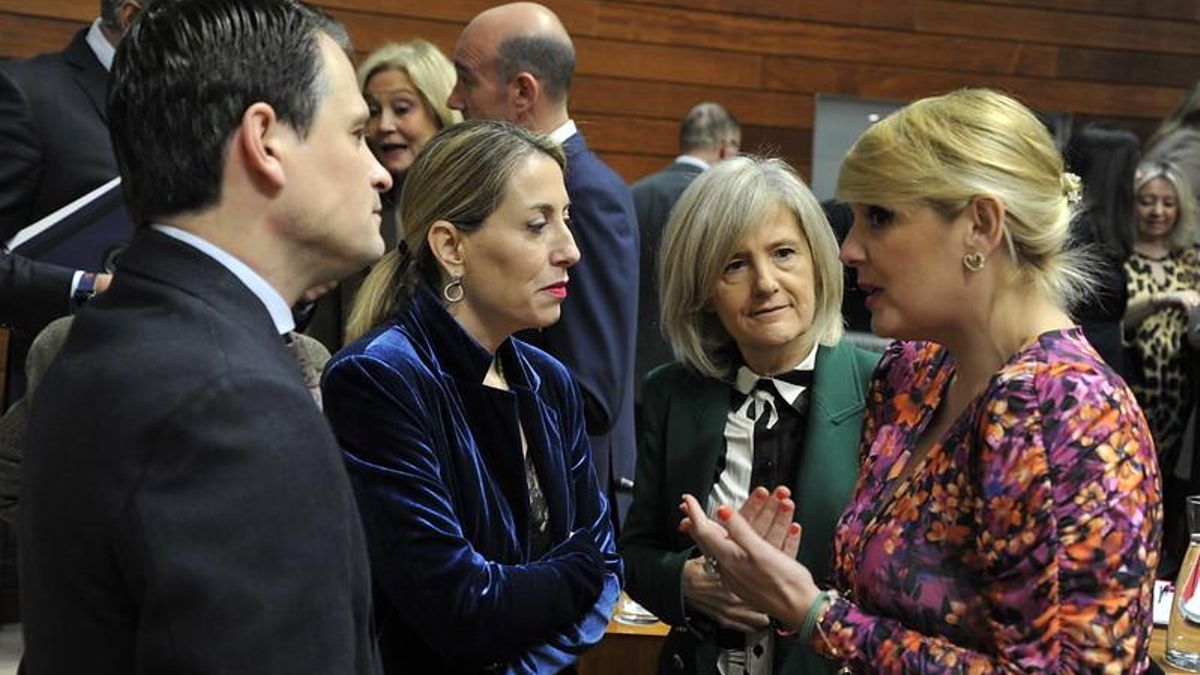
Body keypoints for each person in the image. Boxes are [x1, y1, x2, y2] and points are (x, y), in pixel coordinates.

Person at [679, 89, 1161, 672]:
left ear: (981, 225)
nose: (847, 249)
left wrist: (812, 610)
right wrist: (775, 578)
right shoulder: (917, 374)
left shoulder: (1064, 409)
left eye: (879, 217)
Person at [20, 1, 389, 672]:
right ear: (266, 140)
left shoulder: (119, 332)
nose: (380, 171)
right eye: (358, 133)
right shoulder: (234, 403)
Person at [322, 119, 622, 674]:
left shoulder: (550, 380)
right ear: (451, 246)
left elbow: (608, 573)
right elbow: (463, 609)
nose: (571, 251)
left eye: (567, 220)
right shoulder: (378, 378)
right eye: (538, 225)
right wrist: (577, 568)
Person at [620, 156, 878, 675]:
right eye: (734, 264)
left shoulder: (881, 388)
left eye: (784, 253)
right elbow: (636, 551)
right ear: (702, 290)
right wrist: (686, 583)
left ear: (817, 262)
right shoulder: (671, 392)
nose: (765, 283)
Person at [449, 2, 640, 521]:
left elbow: (594, 392)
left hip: (569, 508)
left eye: (465, 79)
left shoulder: (589, 193)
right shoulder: (533, 182)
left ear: (522, 93)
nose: (453, 98)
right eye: (537, 224)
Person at [0, 0, 137, 388]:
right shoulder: (25, 92)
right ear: (132, 15)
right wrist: (85, 288)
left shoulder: (199, 107)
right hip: (62, 392)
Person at [306, 38, 461, 350]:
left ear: (439, 112)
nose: (384, 125)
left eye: (402, 109)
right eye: (372, 111)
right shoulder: (351, 207)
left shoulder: (470, 205)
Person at [630, 102, 741, 397]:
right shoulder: (721, 202)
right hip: (698, 370)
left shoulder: (634, 194)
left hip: (633, 372)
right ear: (726, 149)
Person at [1123, 160, 1200, 468]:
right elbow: (1114, 320)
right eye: (1147, 201)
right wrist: (1162, 299)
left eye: (1168, 203)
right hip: (1133, 395)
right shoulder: (1119, 257)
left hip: (1182, 404)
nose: (1157, 212)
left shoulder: (1191, 260)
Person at [1063, 122, 1140, 375]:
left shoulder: (1102, 228)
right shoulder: (1078, 234)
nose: (1138, 176)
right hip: (1080, 368)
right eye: (1132, 167)